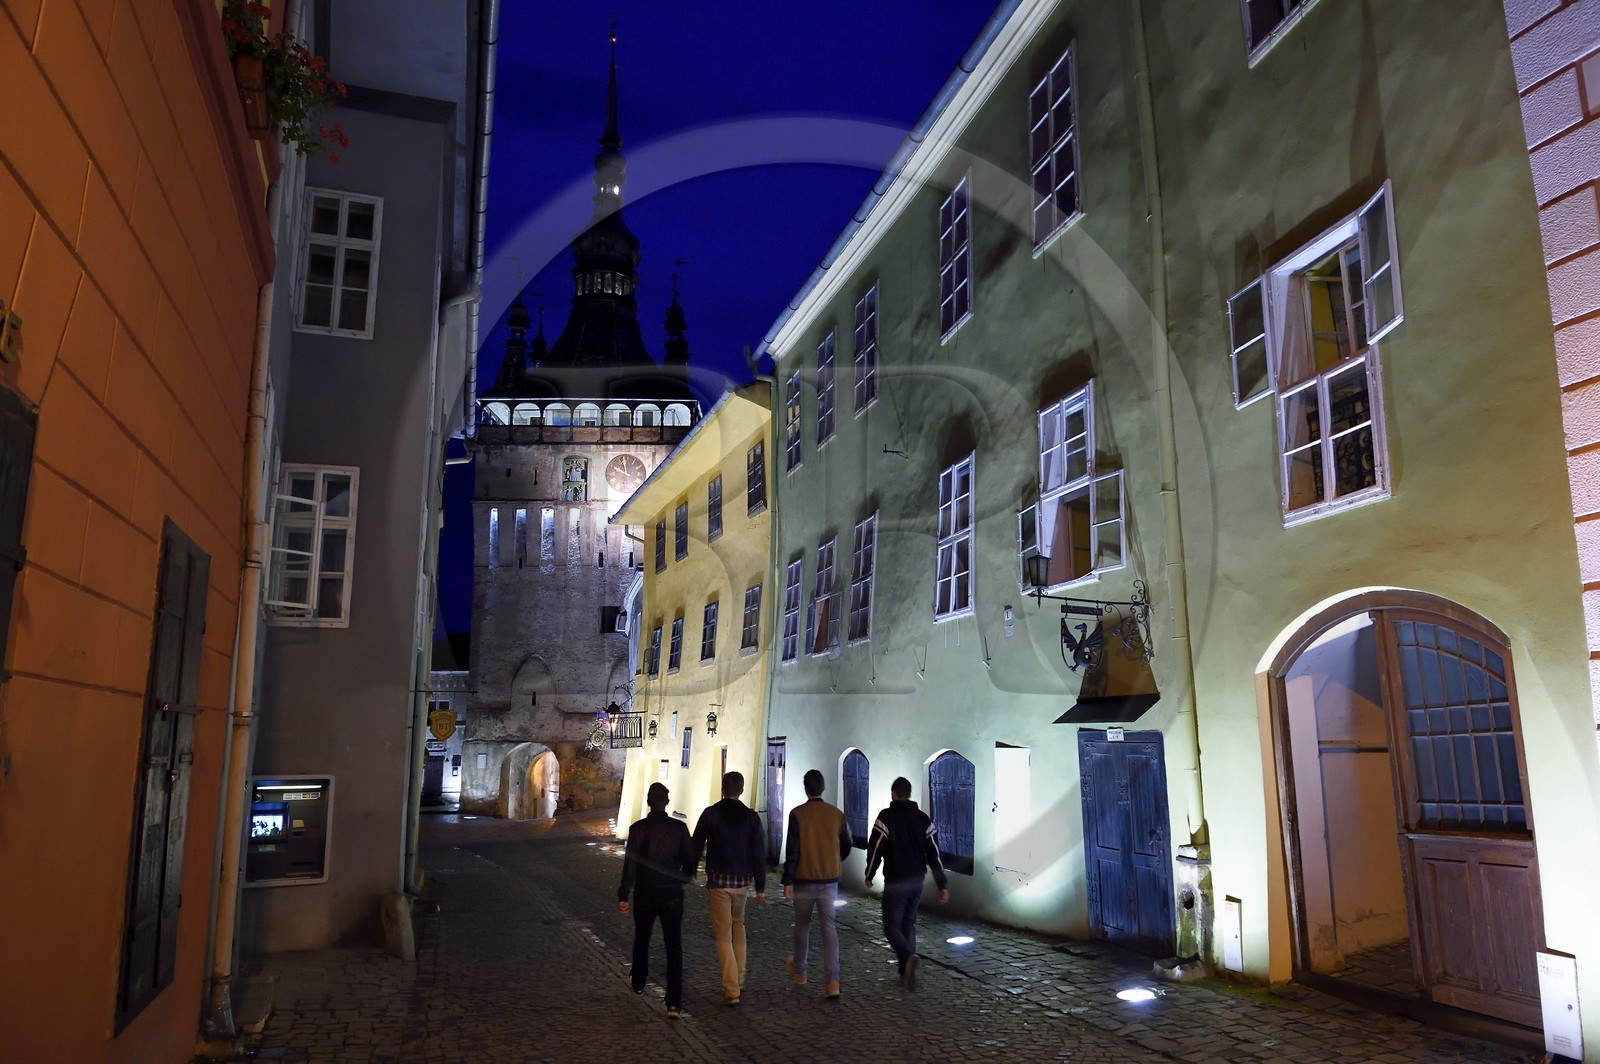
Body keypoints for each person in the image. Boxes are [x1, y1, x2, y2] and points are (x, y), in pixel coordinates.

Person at [618, 781, 695, 1018]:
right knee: (674, 946)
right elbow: (691, 863)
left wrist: (624, 894)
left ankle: (639, 981)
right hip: (671, 894)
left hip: (645, 892)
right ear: (667, 802)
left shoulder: (637, 828)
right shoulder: (679, 828)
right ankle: (673, 1002)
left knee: (642, 938)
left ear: (648, 803)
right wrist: (680, 879)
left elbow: (630, 865)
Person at [864, 776, 949, 990]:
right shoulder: (923, 819)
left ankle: (908, 957)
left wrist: (869, 873)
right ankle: (906, 973)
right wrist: (941, 884)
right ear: (909, 794)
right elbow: (934, 853)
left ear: (893, 793)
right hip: (916, 881)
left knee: (891, 927)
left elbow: (876, 848)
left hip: (896, 881)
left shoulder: (886, 817)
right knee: (908, 923)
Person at [691, 771, 767, 1005]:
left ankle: (732, 988)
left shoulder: (711, 813)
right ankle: (740, 978)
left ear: (722, 788)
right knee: (739, 926)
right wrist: (760, 885)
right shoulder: (751, 817)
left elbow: (696, 843)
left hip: (718, 882)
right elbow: (758, 852)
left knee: (724, 934)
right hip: (741, 882)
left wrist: (691, 870)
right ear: (742, 790)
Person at [780, 768, 852, 1000]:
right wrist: (833, 858)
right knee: (829, 928)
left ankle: (800, 971)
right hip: (829, 879)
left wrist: (787, 879)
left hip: (803, 878)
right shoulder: (836, 814)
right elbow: (847, 844)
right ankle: (833, 981)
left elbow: (793, 850)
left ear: (806, 788)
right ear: (822, 787)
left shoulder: (797, 814)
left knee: (802, 925)